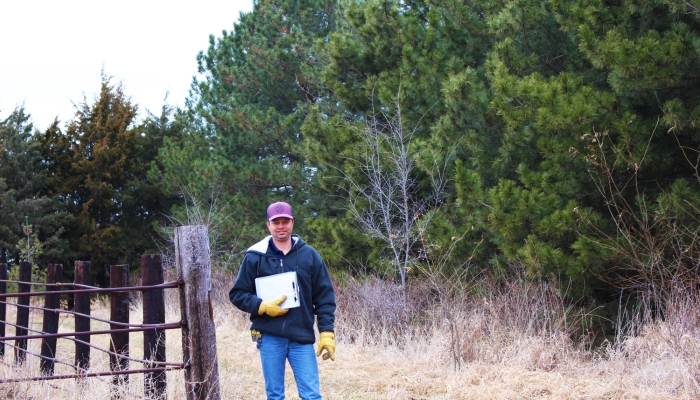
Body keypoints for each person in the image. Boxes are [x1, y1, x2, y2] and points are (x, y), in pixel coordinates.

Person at [229, 201, 336, 400]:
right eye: (275, 222)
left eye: (285, 221)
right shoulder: (255, 256)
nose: (281, 226)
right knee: (275, 395)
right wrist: (261, 306)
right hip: (269, 337)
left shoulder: (310, 256)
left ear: (292, 223)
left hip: (301, 337)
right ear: (267, 225)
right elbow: (238, 294)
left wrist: (327, 332)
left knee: (312, 395)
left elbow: (325, 298)